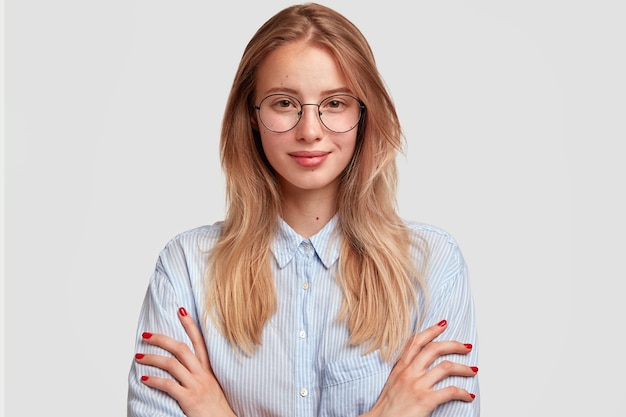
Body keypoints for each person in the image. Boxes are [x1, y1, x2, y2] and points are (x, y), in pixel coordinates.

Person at [127, 3, 479, 416]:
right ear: (252, 117)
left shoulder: (432, 265)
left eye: (334, 103)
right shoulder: (186, 266)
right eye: (283, 103)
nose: (310, 131)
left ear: (363, 115)